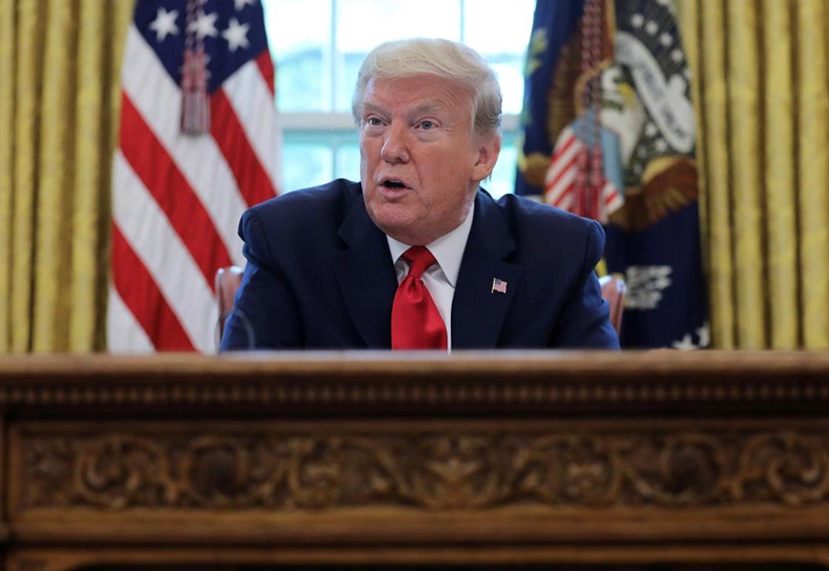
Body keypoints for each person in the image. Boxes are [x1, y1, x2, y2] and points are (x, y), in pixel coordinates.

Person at [220, 38, 619, 351]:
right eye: (375, 121)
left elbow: (603, 420)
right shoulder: (289, 241)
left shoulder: (557, 254)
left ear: (483, 156)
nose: (391, 149)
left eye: (424, 125)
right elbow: (238, 413)